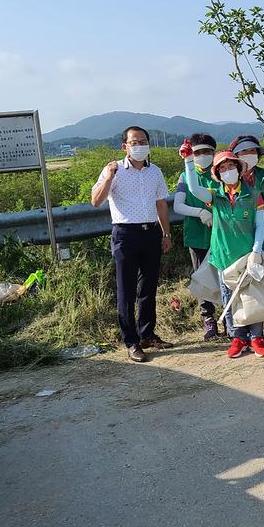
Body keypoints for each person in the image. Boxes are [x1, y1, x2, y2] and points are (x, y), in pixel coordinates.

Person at [91, 126, 173, 362]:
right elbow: (96, 201)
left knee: (148, 288)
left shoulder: (154, 171)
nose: (140, 146)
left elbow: (161, 204)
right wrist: (108, 177)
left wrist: (166, 234)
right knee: (126, 290)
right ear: (124, 146)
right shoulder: (113, 170)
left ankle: (147, 334)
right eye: (134, 142)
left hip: (151, 233)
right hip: (125, 234)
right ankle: (131, 341)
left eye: (143, 142)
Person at [180, 144, 264, 358]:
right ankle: (238, 337)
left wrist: (256, 251)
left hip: (248, 255)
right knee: (230, 297)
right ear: (218, 174)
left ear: (239, 169)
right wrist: (188, 161)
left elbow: (260, 225)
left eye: (231, 166)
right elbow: (193, 189)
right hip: (223, 257)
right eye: (223, 168)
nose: (228, 171)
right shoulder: (215, 197)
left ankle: (257, 337)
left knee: (253, 296)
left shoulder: (254, 195)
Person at [228, 134, 264, 347]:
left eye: (252, 152)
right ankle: (246, 335)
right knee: (245, 290)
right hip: (240, 245)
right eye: (243, 152)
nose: (248, 156)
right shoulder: (231, 177)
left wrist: (261, 234)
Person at [173, 133, 219, 340]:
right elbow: (178, 205)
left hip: (222, 235)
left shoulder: (221, 171)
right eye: (198, 152)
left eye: (207, 151)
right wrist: (199, 212)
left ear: (214, 152)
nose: (203, 156)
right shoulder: (186, 175)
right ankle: (208, 319)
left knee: (226, 276)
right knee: (202, 278)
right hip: (197, 235)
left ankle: (228, 317)